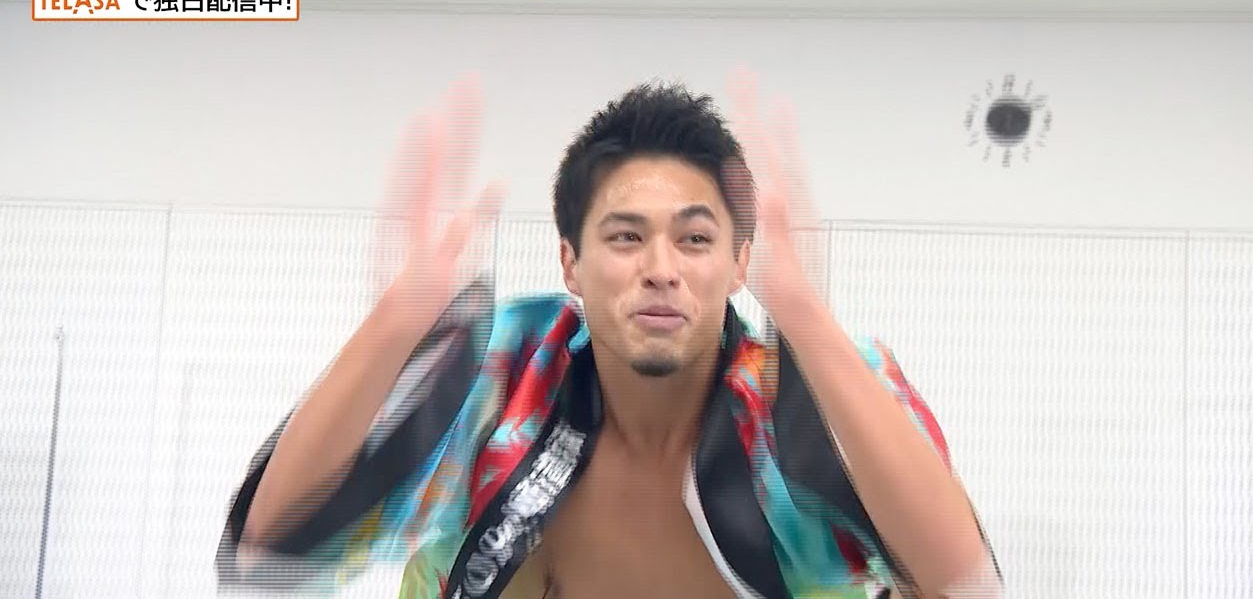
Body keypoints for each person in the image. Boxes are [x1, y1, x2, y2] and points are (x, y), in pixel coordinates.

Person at [216, 72, 1002, 599]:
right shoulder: (503, 378)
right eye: (626, 237)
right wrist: (392, 329)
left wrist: (803, 315)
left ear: (739, 263)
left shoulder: (808, 394)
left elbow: (964, 583)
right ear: (571, 262)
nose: (660, 269)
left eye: (695, 240)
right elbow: (266, 554)